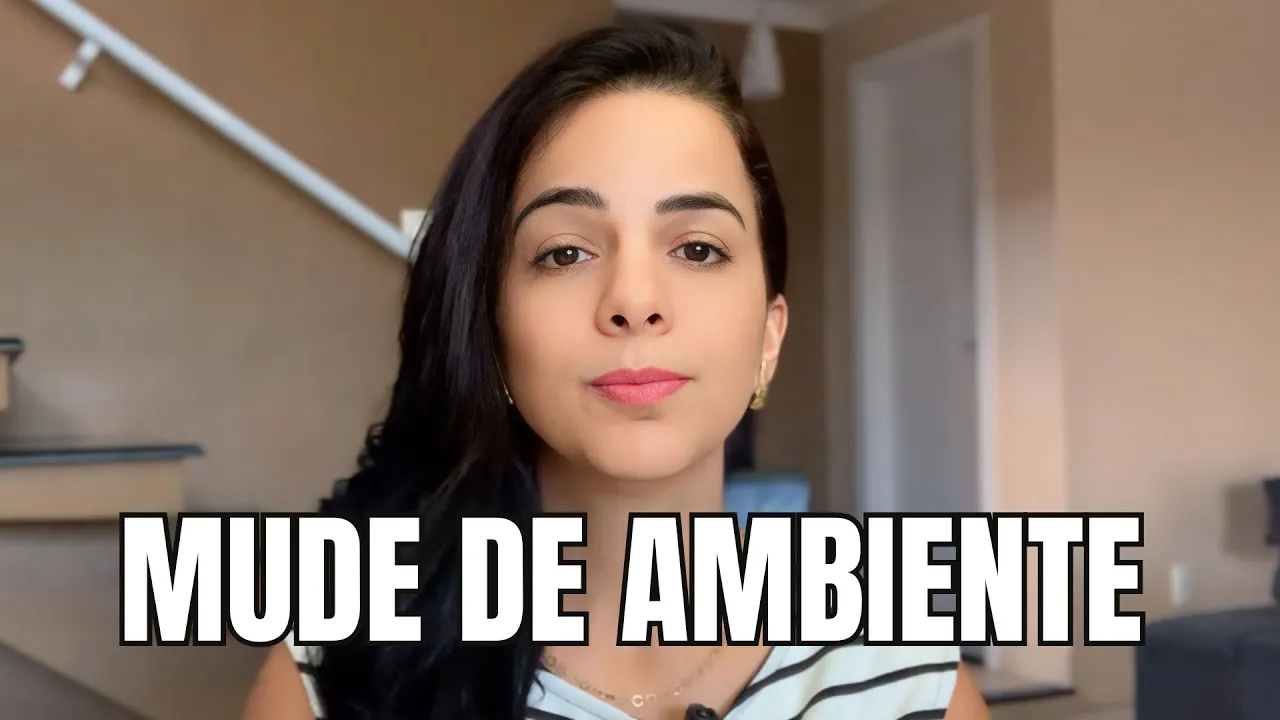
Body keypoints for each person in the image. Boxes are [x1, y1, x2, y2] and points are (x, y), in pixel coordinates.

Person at [242, 22, 990, 720]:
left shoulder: (913, 682)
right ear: (492, 334)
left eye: (697, 249)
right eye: (566, 253)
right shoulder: (333, 671)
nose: (634, 301)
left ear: (769, 337)